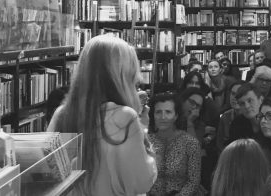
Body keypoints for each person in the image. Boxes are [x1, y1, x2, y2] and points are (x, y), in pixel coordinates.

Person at [47, 35, 157, 195]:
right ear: (123, 75)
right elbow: (141, 182)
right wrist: (144, 132)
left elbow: (50, 174)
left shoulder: (62, 114)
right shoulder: (125, 117)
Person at [147, 93, 202, 196]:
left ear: (176, 116)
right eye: (158, 112)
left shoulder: (190, 143)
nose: (163, 117)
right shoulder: (145, 142)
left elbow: (194, 182)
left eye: (168, 112)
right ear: (153, 115)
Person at [226, 83, 271, 149]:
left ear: (261, 100)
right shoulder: (237, 124)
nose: (246, 106)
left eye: (250, 101)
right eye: (242, 103)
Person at [216, 81, 245, 151]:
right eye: (233, 93)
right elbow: (219, 144)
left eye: (239, 94)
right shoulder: (225, 116)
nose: (234, 97)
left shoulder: (252, 118)